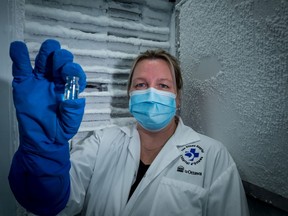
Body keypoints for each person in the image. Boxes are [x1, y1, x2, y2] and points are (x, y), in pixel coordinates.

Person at [9, 39, 250, 216]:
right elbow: (55, 203)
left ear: (178, 98)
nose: (151, 92)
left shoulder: (213, 157)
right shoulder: (101, 142)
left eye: (164, 85)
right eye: (141, 84)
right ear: (130, 94)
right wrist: (43, 153)